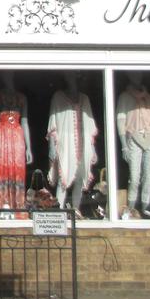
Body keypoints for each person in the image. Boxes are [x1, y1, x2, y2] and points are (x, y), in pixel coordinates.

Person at [46, 72, 98, 213]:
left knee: (80, 178)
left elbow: (90, 125)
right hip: (65, 142)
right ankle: (59, 211)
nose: (70, 77)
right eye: (68, 74)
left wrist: (92, 149)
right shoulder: (58, 97)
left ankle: (76, 209)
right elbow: (53, 123)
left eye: (73, 74)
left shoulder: (84, 99)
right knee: (64, 177)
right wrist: (51, 145)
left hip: (83, 143)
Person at [116, 72, 150, 219]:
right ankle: (130, 207)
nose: (138, 77)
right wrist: (124, 145)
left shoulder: (149, 98)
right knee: (135, 177)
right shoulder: (125, 97)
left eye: (139, 75)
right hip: (134, 136)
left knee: (148, 175)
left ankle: (145, 206)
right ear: (129, 77)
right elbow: (121, 120)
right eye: (134, 75)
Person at [0, 72, 32, 217]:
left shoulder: (22, 97)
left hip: (17, 135)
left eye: (10, 74)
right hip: (2, 134)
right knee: (1, 169)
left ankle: (17, 205)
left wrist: (29, 147)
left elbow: (24, 121)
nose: (7, 77)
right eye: (4, 74)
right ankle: (2, 206)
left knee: (17, 169)